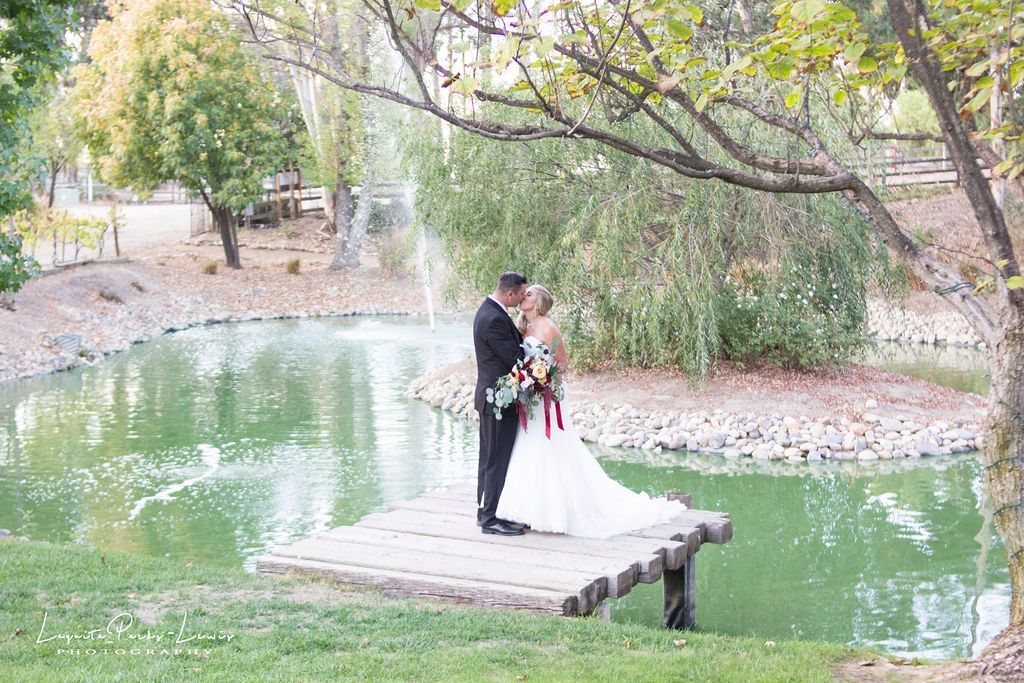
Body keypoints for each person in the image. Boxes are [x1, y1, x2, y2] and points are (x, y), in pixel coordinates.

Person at [495, 284, 686, 537]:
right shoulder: (523, 327)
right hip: (530, 399)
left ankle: (559, 512)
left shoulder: (548, 327)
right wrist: (526, 381)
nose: (523, 296)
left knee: (550, 447)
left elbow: (562, 363)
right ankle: (532, 511)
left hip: (547, 398)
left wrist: (545, 382)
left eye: (528, 294)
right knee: (530, 447)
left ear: (539, 302)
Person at [472, 272, 528, 536]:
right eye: (520, 294)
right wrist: (535, 352)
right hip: (497, 400)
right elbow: (514, 358)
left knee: (489, 458)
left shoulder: (491, 311)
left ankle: (485, 511)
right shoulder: (493, 318)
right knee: (495, 460)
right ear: (509, 294)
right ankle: (489, 518)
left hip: (493, 398)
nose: (521, 299)